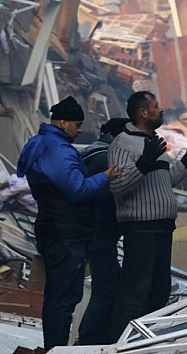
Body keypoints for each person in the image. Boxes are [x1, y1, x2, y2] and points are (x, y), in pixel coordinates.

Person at [16, 96, 120, 350]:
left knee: (57, 296)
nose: (80, 129)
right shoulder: (59, 150)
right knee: (63, 298)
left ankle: (55, 346)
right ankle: (56, 348)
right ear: (63, 123)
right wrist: (105, 177)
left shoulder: (39, 143)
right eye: (77, 124)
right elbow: (77, 190)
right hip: (66, 234)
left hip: (52, 229)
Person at [108, 91, 187, 340]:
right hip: (141, 230)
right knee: (135, 294)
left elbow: (165, 180)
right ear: (143, 113)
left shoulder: (153, 142)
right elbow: (117, 187)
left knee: (158, 292)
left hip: (162, 229)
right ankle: (117, 344)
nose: (161, 110)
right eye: (156, 106)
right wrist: (144, 162)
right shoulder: (123, 143)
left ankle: (145, 343)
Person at [76, 118, 129, 345]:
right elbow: (106, 199)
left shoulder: (88, 154)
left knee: (109, 286)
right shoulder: (105, 159)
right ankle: (87, 340)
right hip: (100, 233)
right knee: (104, 290)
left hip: (90, 232)